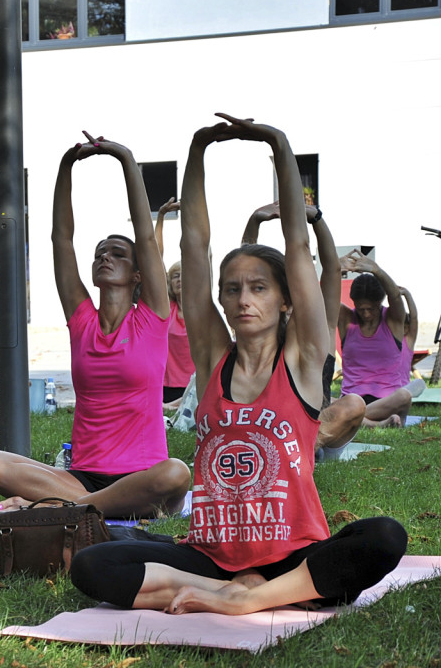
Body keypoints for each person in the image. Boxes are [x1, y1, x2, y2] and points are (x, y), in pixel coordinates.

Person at [69, 114, 406, 615]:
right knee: (91, 565)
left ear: (286, 300)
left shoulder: (305, 358)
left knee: (383, 537)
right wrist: (199, 148)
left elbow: (297, 244)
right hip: (210, 555)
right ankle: (228, 590)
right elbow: (195, 246)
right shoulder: (212, 360)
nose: (242, 299)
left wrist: (278, 144)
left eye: (258, 287)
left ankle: (246, 600)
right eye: (232, 289)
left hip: (292, 557)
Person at [0, 136, 191, 520]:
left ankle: (61, 509)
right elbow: (61, 239)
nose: (105, 257)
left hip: (144, 475)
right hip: (84, 477)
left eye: (117, 254)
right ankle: (79, 506)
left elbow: (145, 235)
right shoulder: (83, 321)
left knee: (177, 473)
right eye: (100, 254)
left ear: (139, 273)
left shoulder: (152, 317)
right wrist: (65, 167)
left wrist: (126, 159)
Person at [241, 202, 365, 453]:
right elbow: (244, 266)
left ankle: (307, 445)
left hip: (315, 427)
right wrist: (255, 220)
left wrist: (317, 219)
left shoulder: (323, 328)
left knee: (354, 404)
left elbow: (332, 269)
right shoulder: (267, 330)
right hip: (268, 423)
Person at [337, 251, 416, 427]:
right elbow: (321, 297)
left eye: (371, 309)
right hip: (352, 399)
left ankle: (346, 418)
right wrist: (335, 269)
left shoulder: (393, 320)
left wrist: (376, 270)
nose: (365, 314)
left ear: (380, 302)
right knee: (318, 397)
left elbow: (395, 296)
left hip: (388, 401)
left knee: (405, 396)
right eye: (360, 308)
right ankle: (376, 424)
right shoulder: (347, 320)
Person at [154, 198, 195, 413]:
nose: (180, 279)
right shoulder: (166, 308)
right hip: (165, 384)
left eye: (184, 275)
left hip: (194, 386)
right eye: (175, 276)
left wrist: (189, 215)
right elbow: (155, 258)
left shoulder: (199, 310)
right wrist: (160, 217)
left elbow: (200, 248)